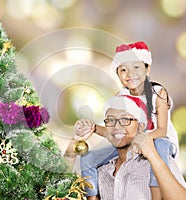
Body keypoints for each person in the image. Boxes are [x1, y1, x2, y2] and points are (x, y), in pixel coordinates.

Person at [74, 41, 179, 199]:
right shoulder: (120, 97)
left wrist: (142, 139)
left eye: (136, 67)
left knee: (159, 146)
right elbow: (115, 131)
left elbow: (161, 130)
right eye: (123, 69)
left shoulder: (158, 92)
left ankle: (157, 195)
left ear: (147, 68)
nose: (130, 74)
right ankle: (92, 197)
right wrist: (94, 128)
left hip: (158, 140)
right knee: (88, 158)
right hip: (130, 144)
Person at [96, 95, 186, 200]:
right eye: (110, 120)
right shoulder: (102, 171)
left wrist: (153, 156)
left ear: (141, 126)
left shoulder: (160, 161)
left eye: (125, 119)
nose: (117, 126)